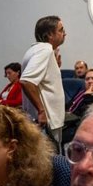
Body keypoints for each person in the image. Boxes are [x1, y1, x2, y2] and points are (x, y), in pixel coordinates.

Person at [20, 15, 67, 151]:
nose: (65, 33)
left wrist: (55, 67)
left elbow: (42, 82)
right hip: (46, 122)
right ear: (49, 35)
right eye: (61, 30)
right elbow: (27, 81)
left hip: (44, 121)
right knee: (51, 165)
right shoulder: (45, 50)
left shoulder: (35, 49)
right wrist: (41, 111)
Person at [62, 69, 93, 143]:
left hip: (80, 128)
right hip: (67, 121)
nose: (90, 81)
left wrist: (88, 97)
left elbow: (85, 114)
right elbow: (69, 106)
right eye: (87, 79)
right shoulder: (82, 93)